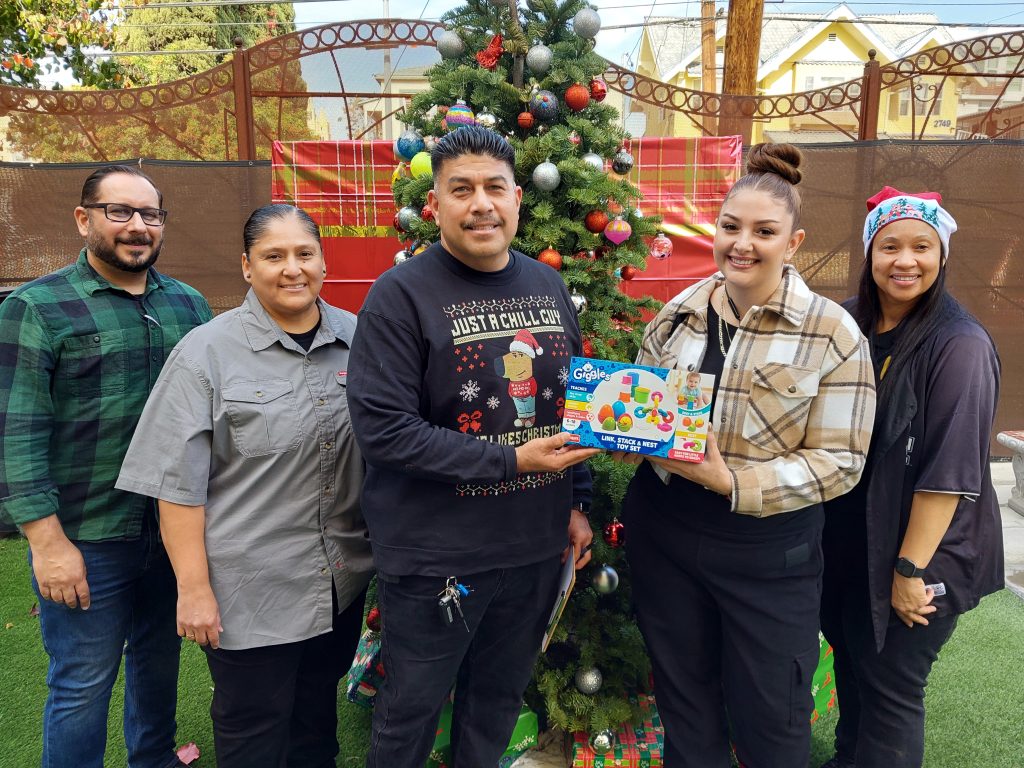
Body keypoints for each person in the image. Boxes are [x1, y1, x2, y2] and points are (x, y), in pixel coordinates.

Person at [346, 125, 599, 768]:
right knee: (409, 713)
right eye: (461, 189)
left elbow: (572, 405)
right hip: (438, 558)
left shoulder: (546, 285)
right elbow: (384, 431)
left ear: (518, 199)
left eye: (494, 187)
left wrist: (577, 503)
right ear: (435, 206)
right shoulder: (399, 297)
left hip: (535, 546)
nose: (480, 203)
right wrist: (513, 459)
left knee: (495, 705)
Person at [618, 143, 876, 768]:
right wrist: (621, 431)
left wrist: (731, 480)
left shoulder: (832, 334)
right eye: (731, 227)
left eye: (765, 231)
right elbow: (647, 408)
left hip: (768, 550)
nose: (743, 244)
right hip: (666, 533)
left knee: (773, 723)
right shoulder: (678, 315)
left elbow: (841, 461)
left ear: (794, 241)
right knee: (686, 707)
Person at [115, 204, 373, 768]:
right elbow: (176, 486)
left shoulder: (360, 340)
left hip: (341, 581)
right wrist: (194, 588)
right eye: (273, 256)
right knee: (253, 734)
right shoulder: (205, 354)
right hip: (250, 591)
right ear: (246, 267)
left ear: (323, 262)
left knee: (313, 725)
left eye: (304, 253)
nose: (292, 269)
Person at [0, 165, 212, 768]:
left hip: (172, 531)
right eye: (119, 212)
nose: (137, 226)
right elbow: (14, 432)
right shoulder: (36, 308)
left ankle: (154, 760)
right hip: (87, 536)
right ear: (84, 218)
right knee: (82, 683)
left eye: (150, 215)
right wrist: (46, 542)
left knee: (157, 666)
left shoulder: (188, 306)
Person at [818, 188, 1003, 768]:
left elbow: (949, 474)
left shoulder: (960, 345)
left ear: (942, 254)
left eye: (922, 246)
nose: (906, 260)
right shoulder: (848, 322)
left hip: (922, 551)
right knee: (851, 665)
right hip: (850, 537)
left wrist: (908, 571)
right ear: (870, 253)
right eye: (890, 245)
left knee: (891, 689)